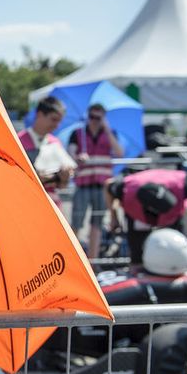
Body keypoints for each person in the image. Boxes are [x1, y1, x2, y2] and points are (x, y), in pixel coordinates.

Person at [104, 168, 187, 268]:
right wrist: (114, 217)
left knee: (175, 245)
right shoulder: (125, 189)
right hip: (136, 211)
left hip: (173, 213)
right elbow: (108, 184)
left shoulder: (184, 185)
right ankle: (137, 270)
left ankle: (175, 268)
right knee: (137, 253)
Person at [68, 103, 124, 258]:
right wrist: (77, 157)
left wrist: (107, 129)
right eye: (92, 117)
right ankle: (75, 258)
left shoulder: (110, 133)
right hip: (83, 184)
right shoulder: (78, 133)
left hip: (102, 185)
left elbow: (119, 152)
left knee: (97, 223)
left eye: (98, 117)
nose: (94, 121)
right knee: (77, 221)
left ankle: (93, 260)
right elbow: (70, 152)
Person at [18, 96, 76, 208]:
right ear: (39, 114)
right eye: (54, 119)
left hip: (52, 204)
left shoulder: (55, 142)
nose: (56, 125)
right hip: (25, 203)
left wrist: (65, 177)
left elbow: (63, 185)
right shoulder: (19, 141)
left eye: (59, 121)